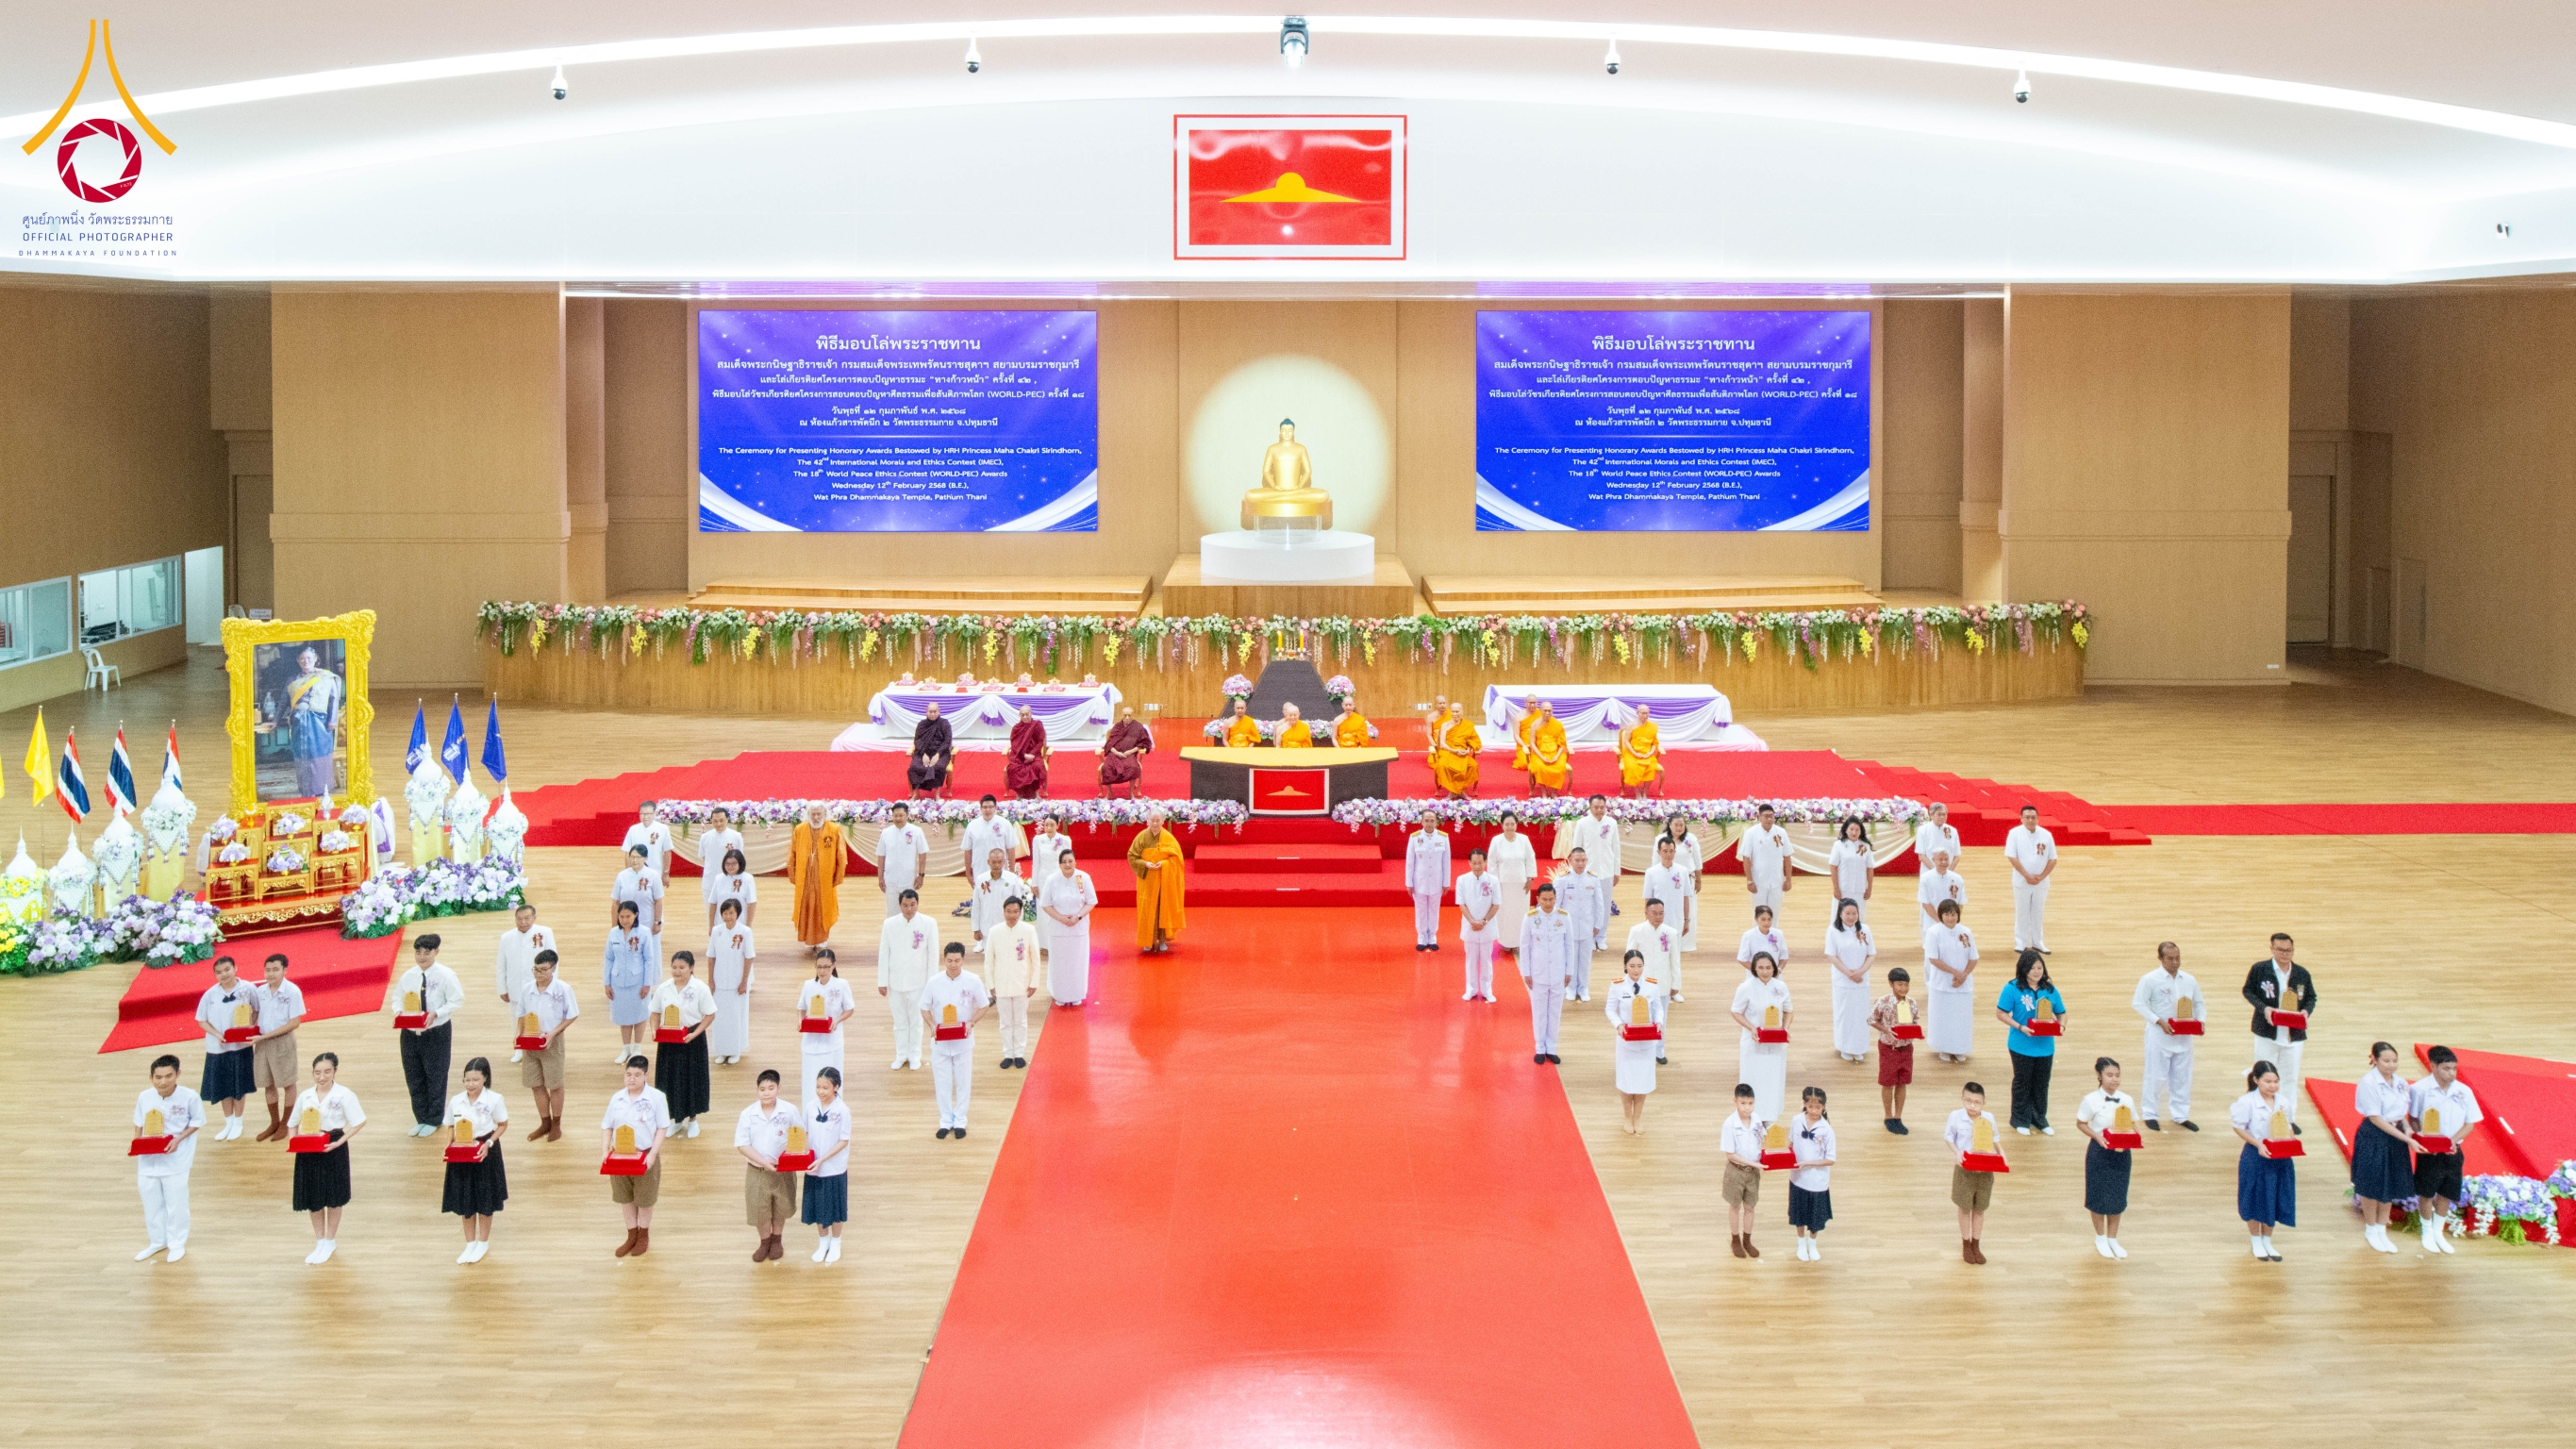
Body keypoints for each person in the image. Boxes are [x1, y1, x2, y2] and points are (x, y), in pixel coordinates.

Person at [290, 1051, 366, 1265]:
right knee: (313, 1196)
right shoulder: (305, 1096)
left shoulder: (344, 1094)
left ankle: (330, 1240)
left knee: (333, 1195)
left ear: (334, 1071)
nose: (321, 1077)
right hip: (308, 1144)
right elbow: (292, 1122)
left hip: (333, 1144)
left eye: (326, 1072)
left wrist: (339, 1142)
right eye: (317, 1073)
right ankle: (319, 1241)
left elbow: (359, 1121)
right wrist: (294, 1142)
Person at [386, 933, 464, 1136]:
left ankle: (434, 1118)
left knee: (435, 1075)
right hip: (410, 1032)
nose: (422, 957)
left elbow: (456, 1000)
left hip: (436, 1032)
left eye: (426, 952)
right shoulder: (408, 976)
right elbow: (397, 998)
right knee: (414, 1074)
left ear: (436, 952)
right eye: (418, 952)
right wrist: (398, 1012)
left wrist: (436, 1013)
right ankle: (420, 1117)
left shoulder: (446, 975)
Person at [132, 1054, 205, 1263]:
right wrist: (137, 1143)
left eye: (168, 1076)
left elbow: (197, 1121)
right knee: (151, 1201)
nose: (163, 1081)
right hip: (148, 1158)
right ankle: (157, 1241)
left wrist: (179, 1140)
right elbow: (138, 1122)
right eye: (158, 1077)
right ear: (151, 1077)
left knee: (176, 1203)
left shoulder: (189, 1097)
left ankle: (177, 1243)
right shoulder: (144, 1096)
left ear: (177, 1074)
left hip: (176, 1159)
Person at [2241, 933, 2317, 1130]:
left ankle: (2288, 1118)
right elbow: (2248, 991)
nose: (2285, 954)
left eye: (2288, 950)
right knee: (2263, 1075)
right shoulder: (2260, 969)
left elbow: (2311, 998)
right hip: (2267, 1033)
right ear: (2272, 949)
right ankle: (2258, 1116)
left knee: (2290, 1077)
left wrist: (2306, 1012)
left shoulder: (2301, 973)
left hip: (2293, 1035)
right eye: (2280, 950)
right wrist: (2263, 1008)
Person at [2409, 1045, 2479, 1254]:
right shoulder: (2420, 1089)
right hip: (2429, 1151)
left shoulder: (2464, 1091)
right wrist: (2422, 1138)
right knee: (2426, 1191)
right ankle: (2426, 1230)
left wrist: (2453, 1142)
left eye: (2454, 1068)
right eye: (2446, 1068)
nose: (2451, 1073)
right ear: (2433, 1066)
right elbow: (2413, 1118)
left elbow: (2470, 1123)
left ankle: (2438, 1232)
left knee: (2447, 1190)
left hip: (2453, 1151)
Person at [2352, 1041, 2418, 1255]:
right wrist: (2407, 1140)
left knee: (2390, 1182)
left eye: (2395, 1061)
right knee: (2372, 1182)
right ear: (2375, 1060)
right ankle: (2371, 1229)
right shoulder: (2368, 1083)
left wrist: (2407, 1128)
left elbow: (2401, 1113)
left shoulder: (2400, 1082)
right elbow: (2377, 1119)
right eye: (2386, 1061)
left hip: (2396, 1134)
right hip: (2374, 1135)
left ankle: (2382, 1227)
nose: (2391, 1065)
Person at [602, 1055, 671, 1258]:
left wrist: (653, 1155)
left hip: (645, 1156)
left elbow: (662, 1126)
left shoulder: (657, 1098)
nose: (631, 1079)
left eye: (637, 1075)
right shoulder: (617, 1098)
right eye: (628, 1075)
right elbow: (607, 1126)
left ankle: (643, 1234)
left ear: (646, 1075)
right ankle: (631, 1234)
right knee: (625, 1197)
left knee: (645, 1199)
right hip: (620, 1157)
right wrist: (605, 1152)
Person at [440, 1057, 508, 1264]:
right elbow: (450, 1126)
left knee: (485, 1199)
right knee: (465, 1198)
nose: (471, 1084)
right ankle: (469, 1244)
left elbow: (503, 1124)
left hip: (484, 1151)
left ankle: (483, 1243)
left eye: (475, 1080)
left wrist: (489, 1143)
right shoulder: (456, 1100)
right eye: (467, 1080)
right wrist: (448, 1147)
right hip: (461, 1151)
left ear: (485, 1079)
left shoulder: (494, 1099)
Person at [922, 941, 992, 1140]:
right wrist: (931, 1024)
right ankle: (945, 1120)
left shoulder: (973, 980)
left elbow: (984, 1005)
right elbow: (924, 1007)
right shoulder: (934, 982)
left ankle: (960, 1120)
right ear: (944, 960)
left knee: (963, 1082)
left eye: (957, 960)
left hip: (963, 1041)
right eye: (949, 960)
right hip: (941, 1042)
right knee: (942, 1082)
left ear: (963, 960)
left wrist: (971, 1022)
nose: (953, 965)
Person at [2132, 941, 2204, 1131]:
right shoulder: (2150, 979)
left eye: (2177, 958)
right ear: (2161, 959)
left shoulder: (2189, 979)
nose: (2175, 962)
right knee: (2155, 1075)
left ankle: (2180, 1115)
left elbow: (2199, 1003)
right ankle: (2149, 1113)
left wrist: (2200, 1021)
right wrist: (2158, 1021)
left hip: (2184, 1034)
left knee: (2182, 1076)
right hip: (2159, 1035)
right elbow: (2138, 1003)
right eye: (2170, 958)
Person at [1995, 950, 2066, 1134]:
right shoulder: (2012, 988)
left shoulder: (2050, 990)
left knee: (2042, 1083)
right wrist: (2020, 1027)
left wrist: (2062, 1026)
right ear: (2024, 969)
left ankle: (2040, 1119)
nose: (2036, 971)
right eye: (2032, 968)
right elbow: (2001, 1013)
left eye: (2039, 967)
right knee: (2023, 1082)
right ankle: (2020, 1119)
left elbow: (2061, 1012)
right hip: (2020, 1045)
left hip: (2045, 1046)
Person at [736, 1068, 803, 1263]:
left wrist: (793, 1159)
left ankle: (777, 1240)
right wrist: (764, 1161)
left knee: (780, 1207)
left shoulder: (789, 1110)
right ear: (757, 1091)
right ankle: (764, 1241)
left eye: (771, 1088)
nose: (766, 1093)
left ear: (779, 1088)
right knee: (760, 1210)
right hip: (757, 1170)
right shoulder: (748, 1114)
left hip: (783, 1170)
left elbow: (799, 1136)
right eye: (762, 1089)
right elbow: (742, 1144)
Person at [2233, 1061, 2297, 1261]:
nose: (2273, 1085)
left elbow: (2289, 1125)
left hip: (2280, 1155)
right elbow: (2239, 1127)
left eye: (2276, 1081)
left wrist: (2290, 1139)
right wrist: (2258, 1144)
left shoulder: (2284, 1102)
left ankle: (2268, 1240)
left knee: (2276, 1196)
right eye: (2268, 1081)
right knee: (2255, 1196)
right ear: (2256, 1080)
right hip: (2256, 1155)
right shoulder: (2246, 1102)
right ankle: (2255, 1239)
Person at [2075, 1057, 2136, 1258]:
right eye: (2110, 1075)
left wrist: (2133, 1136)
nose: (2114, 1079)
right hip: (2099, 1152)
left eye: (2117, 1075)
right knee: (2098, 1195)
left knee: (2118, 1196)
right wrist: (2097, 1136)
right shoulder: (2090, 1100)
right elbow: (2081, 1123)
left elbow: (2134, 1123)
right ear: (2099, 1076)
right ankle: (2100, 1237)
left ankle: (2113, 1239)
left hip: (2122, 1153)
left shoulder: (2127, 1099)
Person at [649, 951, 716, 1136]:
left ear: (692, 968)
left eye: (682, 967)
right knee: (669, 1079)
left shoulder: (700, 988)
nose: (677, 971)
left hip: (691, 1039)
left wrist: (695, 1034)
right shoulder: (664, 988)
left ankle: (693, 1119)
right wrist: (654, 1030)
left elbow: (710, 1014)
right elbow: (654, 1012)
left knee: (692, 1078)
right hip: (668, 1039)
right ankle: (676, 1119)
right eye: (674, 967)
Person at [515, 950, 578, 1141]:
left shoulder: (563, 989)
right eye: (536, 969)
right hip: (530, 1041)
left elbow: (572, 1014)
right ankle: (545, 1122)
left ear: (554, 968)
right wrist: (518, 1035)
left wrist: (553, 1033)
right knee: (536, 1083)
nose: (538, 974)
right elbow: (521, 1014)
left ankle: (556, 1125)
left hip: (552, 1041)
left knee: (555, 1084)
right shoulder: (527, 989)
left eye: (543, 970)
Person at [192, 956, 255, 1141]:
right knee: (223, 1086)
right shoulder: (210, 994)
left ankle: (238, 1122)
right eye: (219, 972)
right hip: (217, 1048)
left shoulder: (248, 989)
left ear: (235, 968)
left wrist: (251, 1030)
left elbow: (257, 1010)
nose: (223, 974)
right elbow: (201, 1021)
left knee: (239, 1084)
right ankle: (228, 1123)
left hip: (241, 1046)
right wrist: (218, 1035)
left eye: (227, 969)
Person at [875, 891, 939, 1072]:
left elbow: (933, 956)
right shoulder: (890, 924)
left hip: (919, 983)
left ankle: (915, 1055)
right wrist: (882, 980)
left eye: (912, 905)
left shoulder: (928, 923)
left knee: (917, 1021)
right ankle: (901, 1054)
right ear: (899, 905)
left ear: (917, 904)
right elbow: (884, 953)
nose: (909, 909)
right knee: (900, 1022)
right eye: (905, 905)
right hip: (895, 982)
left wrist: (931, 985)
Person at [1606, 951, 1667, 1134]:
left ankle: (1637, 1117)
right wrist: (1618, 1025)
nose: (1636, 970)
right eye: (1632, 966)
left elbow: (1658, 1008)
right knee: (1626, 1080)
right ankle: (1627, 1117)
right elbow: (1610, 1009)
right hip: (1627, 1041)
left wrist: (1659, 1022)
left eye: (1639, 966)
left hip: (1647, 1041)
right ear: (1625, 966)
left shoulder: (1651, 985)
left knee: (1642, 1080)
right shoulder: (1617, 986)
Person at [249, 954, 306, 1141]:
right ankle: (274, 1122)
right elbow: (255, 1014)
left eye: (275, 969)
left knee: (288, 1083)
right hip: (262, 1042)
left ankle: (286, 1123)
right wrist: (245, 1030)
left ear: (285, 970)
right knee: (268, 1083)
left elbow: (294, 1022)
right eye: (267, 969)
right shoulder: (260, 991)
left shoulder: (292, 992)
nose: (270, 974)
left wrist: (266, 1036)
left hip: (282, 1041)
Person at [1521, 881, 1577, 1065]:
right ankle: (1540, 1047)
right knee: (1539, 1010)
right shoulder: (1530, 917)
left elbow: (1569, 944)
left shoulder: (1564, 916)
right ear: (1537, 899)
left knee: (1555, 1011)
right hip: (1538, 972)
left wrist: (1569, 970)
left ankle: (1552, 1047)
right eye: (1544, 899)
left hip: (1559, 972)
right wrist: (1526, 972)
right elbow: (1525, 946)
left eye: (1551, 899)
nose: (1548, 903)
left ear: (1556, 898)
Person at [1945, 1082, 2001, 1265]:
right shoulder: (1955, 1117)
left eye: (1977, 1102)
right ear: (1962, 1099)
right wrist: (1956, 1152)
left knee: (1980, 1209)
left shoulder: (1989, 1118)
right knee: (1964, 1207)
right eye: (1968, 1101)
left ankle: (1976, 1244)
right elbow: (1949, 1138)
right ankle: (1965, 1244)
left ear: (1983, 1103)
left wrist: (2002, 1157)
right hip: (1964, 1170)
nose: (1972, 1106)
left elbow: (1996, 1141)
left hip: (1985, 1170)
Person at [1732, 952, 1792, 1121]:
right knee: (1754, 1079)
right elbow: (1736, 1011)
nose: (1765, 971)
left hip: (1775, 1044)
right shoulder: (1746, 987)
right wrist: (1751, 1028)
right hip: (1754, 1043)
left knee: (1773, 1079)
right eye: (1760, 968)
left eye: (1768, 968)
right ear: (1754, 968)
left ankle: (1771, 1117)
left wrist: (1785, 1029)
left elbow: (1789, 1010)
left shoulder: (1781, 987)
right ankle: (1751, 1116)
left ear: (1774, 968)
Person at [984, 894, 1041, 1069]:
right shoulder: (995, 931)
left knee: (1021, 1021)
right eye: (1008, 911)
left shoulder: (1028, 931)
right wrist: (990, 986)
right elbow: (989, 961)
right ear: (1003, 912)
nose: (1012, 915)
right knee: (1005, 1022)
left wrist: (1034, 982)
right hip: (1000, 985)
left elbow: (1036, 959)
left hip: (1022, 984)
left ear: (1020, 912)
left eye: (1016, 911)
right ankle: (1008, 1053)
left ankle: (1019, 1053)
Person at [796, 948, 856, 1115]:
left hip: (831, 1042)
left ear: (833, 966)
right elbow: (801, 1008)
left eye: (826, 967)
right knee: (810, 1081)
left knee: (830, 1079)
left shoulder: (841, 985)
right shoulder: (808, 985)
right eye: (819, 967)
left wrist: (837, 1021)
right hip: (810, 1041)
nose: (822, 971)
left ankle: (833, 1114)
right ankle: (810, 1115)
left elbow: (849, 1009)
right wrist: (800, 1021)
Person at [494, 904, 557, 1061]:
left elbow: (554, 960)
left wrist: (553, 984)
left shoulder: (545, 933)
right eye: (519, 918)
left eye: (527, 918)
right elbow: (501, 965)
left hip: (540, 985)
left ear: (534, 918)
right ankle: (519, 1049)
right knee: (517, 1018)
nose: (522, 922)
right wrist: (502, 987)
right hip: (515, 986)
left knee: (540, 1016)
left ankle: (540, 1045)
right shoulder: (506, 937)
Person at [1037, 849, 1099, 1007]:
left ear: (1075, 862)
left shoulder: (1084, 878)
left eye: (1070, 861)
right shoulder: (1052, 880)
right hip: (1058, 929)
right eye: (1064, 862)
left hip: (1079, 928)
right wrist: (1060, 918)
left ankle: (1077, 994)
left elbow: (1091, 901)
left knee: (1078, 961)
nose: (1067, 864)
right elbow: (1045, 904)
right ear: (1059, 864)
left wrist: (1078, 916)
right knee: (1060, 963)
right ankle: (1060, 995)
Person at [803, 1066, 852, 1262]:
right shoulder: (810, 1107)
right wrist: (805, 1157)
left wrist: (823, 1159)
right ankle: (823, 1242)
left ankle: (836, 1242)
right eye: (818, 1087)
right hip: (813, 1167)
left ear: (836, 1087)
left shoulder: (843, 1111)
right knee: (819, 1206)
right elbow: (805, 1133)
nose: (821, 1091)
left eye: (825, 1087)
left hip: (834, 1167)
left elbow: (843, 1140)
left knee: (835, 1207)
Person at [1623, 896, 1682, 1058]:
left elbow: (1675, 960)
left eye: (1661, 913)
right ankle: (1642, 1048)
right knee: (1641, 1016)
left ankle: (1659, 1050)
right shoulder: (1637, 931)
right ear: (1646, 913)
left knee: (1660, 1017)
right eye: (1654, 913)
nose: (1658, 917)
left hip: (1663, 983)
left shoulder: (1670, 933)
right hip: (1641, 983)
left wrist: (1676, 983)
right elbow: (1628, 957)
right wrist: (1628, 981)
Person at [282, 644, 343, 796]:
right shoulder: (292, 679)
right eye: (302, 658)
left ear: (316, 660)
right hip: (298, 722)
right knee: (302, 754)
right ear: (298, 661)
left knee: (319, 753)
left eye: (309, 658)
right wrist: (278, 719)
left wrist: (332, 720)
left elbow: (334, 699)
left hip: (319, 722)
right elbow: (283, 701)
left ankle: (322, 789)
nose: (305, 661)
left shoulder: (326, 676)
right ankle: (306, 789)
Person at [1923, 899, 1979, 1063]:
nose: (1950, 918)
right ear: (1941, 915)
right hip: (1942, 983)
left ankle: (1959, 1048)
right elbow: (1933, 959)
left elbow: (1973, 957)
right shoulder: (1934, 932)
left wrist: (1964, 975)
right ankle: (1945, 1048)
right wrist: (1955, 972)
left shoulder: (1966, 932)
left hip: (1963, 984)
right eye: (1947, 914)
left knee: (1961, 1017)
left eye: (1953, 914)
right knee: (1944, 1017)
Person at [603, 901, 657, 1064]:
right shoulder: (613, 933)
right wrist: (607, 983)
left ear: (636, 915)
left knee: (639, 1014)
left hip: (638, 981)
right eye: (621, 916)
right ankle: (626, 1048)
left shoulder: (644, 932)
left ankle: (637, 1048)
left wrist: (647, 983)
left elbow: (649, 959)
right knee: (623, 1015)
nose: (625, 920)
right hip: (618, 980)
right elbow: (608, 958)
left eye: (628, 916)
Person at [788, 803, 846, 954]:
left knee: (822, 907)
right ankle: (808, 940)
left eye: (819, 814)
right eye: (813, 814)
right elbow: (792, 854)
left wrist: (838, 877)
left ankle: (822, 940)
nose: (816, 817)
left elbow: (841, 855)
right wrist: (793, 875)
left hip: (824, 879)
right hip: (805, 878)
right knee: (805, 905)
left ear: (824, 813)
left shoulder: (833, 829)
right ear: (808, 814)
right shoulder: (800, 830)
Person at [1787, 1086, 1837, 1260]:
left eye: (1818, 1107)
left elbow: (1830, 1159)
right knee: (1799, 1214)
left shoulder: (1827, 1130)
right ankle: (1801, 1244)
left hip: (1817, 1182)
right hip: (1798, 1179)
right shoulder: (1796, 1120)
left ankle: (1813, 1245)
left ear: (1824, 1107)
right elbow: (1791, 1144)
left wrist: (1807, 1163)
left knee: (1815, 1218)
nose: (1814, 1111)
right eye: (1810, 1107)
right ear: (1804, 1104)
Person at [1823, 899, 1876, 1063]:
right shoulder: (1833, 931)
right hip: (1843, 981)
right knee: (1845, 1014)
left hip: (1861, 981)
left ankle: (1859, 1047)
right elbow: (1832, 955)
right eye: (1847, 913)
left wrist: (1860, 972)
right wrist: (1848, 973)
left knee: (1860, 1014)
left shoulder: (1864, 929)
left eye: (1854, 913)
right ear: (1840, 913)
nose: (1851, 917)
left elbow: (1871, 954)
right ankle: (1845, 1047)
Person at [1128, 808, 1187, 955]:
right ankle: (1147, 940)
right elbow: (1132, 856)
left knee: (1162, 908)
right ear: (1147, 821)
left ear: (1162, 821)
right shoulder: (1141, 837)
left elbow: (1177, 859)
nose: (1155, 823)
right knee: (1147, 909)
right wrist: (1145, 864)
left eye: (1157, 820)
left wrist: (1164, 864)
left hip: (1163, 880)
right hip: (1147, 879)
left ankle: (1162, 940)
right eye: (1152, 820)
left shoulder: (1168, 838)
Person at [1869, 968, 1919, 1133]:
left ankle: (1898, 1117)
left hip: (1906, 1048)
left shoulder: (1911, 1003)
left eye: (1906, 985)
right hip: (1889, 1048)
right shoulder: (1883, 1001)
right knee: (1888, 1082)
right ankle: (1888, 1116)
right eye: (1899, 984)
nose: (1903, 988)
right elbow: (1871, 1019)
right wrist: (1885, 1030)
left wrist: (1915, 1030)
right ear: (1891, 984)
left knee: (1902, 1082)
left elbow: (1915, 1020)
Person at [1719, 1083, 1766, 1258]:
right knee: (1735, 1206)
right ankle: (1735, 1240)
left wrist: (1768, 1160)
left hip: (1753, 1173)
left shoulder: (1757, 1120)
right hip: (1736, 1172)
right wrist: (1755, 1164)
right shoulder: (1729, 1124)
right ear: (1735, 1102)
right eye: (1743, 1103)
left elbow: (1762, 1143)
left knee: (1750, 1207)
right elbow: (1730, 1155)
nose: (1747, 1108)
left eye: (1750, 1103)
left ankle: (1747, 1239)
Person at [1643, 839, 1694, 997]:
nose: (1668, 854)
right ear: (1659, 852)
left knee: (1674, 957)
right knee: (1657, 956)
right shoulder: (1651, 872)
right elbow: (1647, 899)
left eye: (1671, 851)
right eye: (1665, 851)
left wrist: (1686, 920)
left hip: (1676, 921)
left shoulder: (1682, 871)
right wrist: (1649, 920)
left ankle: (1674, 989)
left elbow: (1686, 897)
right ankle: (1656, 988)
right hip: (1657, 922)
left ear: (1675, 852)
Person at [707, 899, 756, 1065]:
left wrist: (744, 982)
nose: (728, 916)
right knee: (720, 1017)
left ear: (737, 914)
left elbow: (749, 957)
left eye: (731, 913)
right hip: (719, 980)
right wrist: (710, 980)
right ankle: (721, 1051)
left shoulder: (745, 932)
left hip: (737, 983)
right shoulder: (716, 931)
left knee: (736, 1017)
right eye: (725, 913)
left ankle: (735, 1050)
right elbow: (711, 956)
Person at [2003, 805, 2057, 954]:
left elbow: (2053, 859)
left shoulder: (2046, 835)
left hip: (2041, 882)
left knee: (2038, 911)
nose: (2030, 820)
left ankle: (2038, 942)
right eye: (2027, 817)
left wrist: (2041, 876)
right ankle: (2020, 942)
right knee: (2022, 911)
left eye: (2033, 817)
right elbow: (2011, 856)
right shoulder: (2014, 834)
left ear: (2037, 818)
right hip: (2022, 881)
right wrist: (2027, 876)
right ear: (2021, 819)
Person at [1486, 812, 1538, 957]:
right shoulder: (1496, 841)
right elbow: (1492, 863)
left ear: (1516, 825)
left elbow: (1530, 859)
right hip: (1503, 885)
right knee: (1504, 914)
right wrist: (1494, 883)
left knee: (1520, 914)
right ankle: (1505, 942)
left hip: (1521, 885)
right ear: (1502, 825)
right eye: (1506, 824)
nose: (1509, 827)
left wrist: (1530, 879)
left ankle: (1519, 942)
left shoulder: (1524, 839)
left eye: (1512, 824)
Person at [1565, 797, 1622, 924]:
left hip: (1607, 870)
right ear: (1590, 807)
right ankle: (1589, 934)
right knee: (1587, 904)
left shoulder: (1611, 823)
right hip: (1587, 871)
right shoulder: (1582, 823)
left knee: (1605, 904)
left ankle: (1602, 935)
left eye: (1602, 807)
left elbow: (1616, 848)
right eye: (1596, 807)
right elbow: (1576, 848)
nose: (1599, 810)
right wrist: (1576, 869)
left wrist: (1616, 871)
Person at [1454, 848, 1503, 1003]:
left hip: (1487, 926)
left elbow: (1496, 904)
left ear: (1485, 863)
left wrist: (1484, 921)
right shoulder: (1462, 880)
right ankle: (1471, 989)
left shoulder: (1493, 880)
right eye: (1474, 863)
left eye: (1480, 863)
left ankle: (1488, 990)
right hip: (1470, 926)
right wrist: (1472, 921)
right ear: (1469, 863)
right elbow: (1461, 904)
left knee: (1487, 960)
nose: (1477, 866)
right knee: (1471, 960)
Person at [1556, 847, 1606, 994]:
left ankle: (1583, 987)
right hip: (1568, 926)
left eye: (1583, 860)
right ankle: (1570, 987)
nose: (1580, 863)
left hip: (1587, 926)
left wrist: (1598, 924)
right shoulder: (1562, 879)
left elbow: (1599, 903)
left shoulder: (1593, 878)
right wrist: (1559, 925)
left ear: (1587, 860)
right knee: (1570, 958)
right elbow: (1557, 904)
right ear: (1570, 860)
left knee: (1585, 959)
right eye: (1577, 860)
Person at [610, 843, 668, 968]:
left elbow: (658, 900)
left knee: (649, 954)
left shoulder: (653, 875)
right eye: (632, 857)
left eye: (638, 857)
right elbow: (615, 902)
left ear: (645, 858)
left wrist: (657, 922)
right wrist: (615, 925)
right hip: (626, 923)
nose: (635, 860)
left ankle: (650, 983)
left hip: (647, 922)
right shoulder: (622, 876)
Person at [1656, 813, 1704, 953]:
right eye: (1676, 825)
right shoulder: (1661, 839)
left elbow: (1697, 860)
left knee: (1688, 909)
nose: (1679, 828)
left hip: (1687, 880)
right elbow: (1655, 862)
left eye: (1681, 825)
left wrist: (1699, 879)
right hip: (1666, 879)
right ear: (1669, 825)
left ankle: (1686, 943)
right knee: (1668, 908)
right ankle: (1666, 940)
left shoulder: (1691, 839)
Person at [1737, 804, 1792, 921]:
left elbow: (1787, 857)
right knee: (1759, 915)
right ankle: (1758, 938)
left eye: (1771, 816)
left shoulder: (1781, 832)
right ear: (1759, 817)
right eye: (1766, 816)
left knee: (1774, 914)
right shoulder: (1751, 833)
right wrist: (1750, 880)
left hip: (1777, 881)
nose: (1769, 819)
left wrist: (1788, 879)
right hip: (1758, 882)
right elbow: (1746, 858)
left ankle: (1773, 938)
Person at [1404, 816, 1451, 952]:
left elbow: (1446, 862)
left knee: (1434, 909)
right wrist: (1409, 882)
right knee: (1420, 908)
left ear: (1437, 822)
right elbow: (1410, 862)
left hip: (1436, 880)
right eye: (1427, 820)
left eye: (1432, 821)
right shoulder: (1414, 838)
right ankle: (1422, 936)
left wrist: (1446, 882)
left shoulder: (1443, 838)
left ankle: (1432, 937)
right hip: (1420, 881)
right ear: (1422, 822)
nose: (1429, 823)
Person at [877, 803, 930, 921]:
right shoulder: (886, 833)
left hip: (909, 880)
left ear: (907, 815)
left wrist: (921, 875)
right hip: (890, 880)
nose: (898, 818)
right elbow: (881, 856)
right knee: (892, 913)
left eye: (901, 815)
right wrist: (880, 877)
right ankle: (894, 938)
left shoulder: (916, 831)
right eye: (895, 815)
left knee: (910, 912)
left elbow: (922, 854)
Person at [696, 807, 746, 928]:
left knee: (731, 911)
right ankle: (714, 940)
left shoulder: (736, 836)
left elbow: (740, 860)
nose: (718, 824)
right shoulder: (705, 837)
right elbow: (704, 858)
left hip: (730, 881)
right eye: (715, 821)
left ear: (727, 819)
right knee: (711, 912)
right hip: (710, 881)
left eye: (721, 820)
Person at [970, 846, 1029, 946]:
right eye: (993, 862)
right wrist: (976, 928)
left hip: (1008, 927)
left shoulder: (1012, 879)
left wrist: (1019, 925)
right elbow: (976, 905)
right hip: (987, 928)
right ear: (988, 862)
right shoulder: (981, 879)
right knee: (989, 959)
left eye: (1000, 861)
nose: (996, 865)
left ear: (1004, 861)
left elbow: (1019, 904)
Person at [1734, 901, 1787, 1009]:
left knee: (1776, 1006)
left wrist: (1777, 971)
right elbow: (1742, 959)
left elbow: (1784, 956)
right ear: (1756, 919)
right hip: (1755, 977)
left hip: (1774, 977)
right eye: (1763, 919)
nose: (1766, 922)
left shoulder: (1778, 934)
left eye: (1769, 919)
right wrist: (1758, 971)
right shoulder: (1749, 936)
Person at [1826, 816, 1874, 931]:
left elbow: (1870, 868)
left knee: (1859, 917)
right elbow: (1833, 867)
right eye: (1851, 829)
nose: (1854, 832)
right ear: (1846, 830)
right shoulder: (1838, 845)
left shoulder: (1865, 846)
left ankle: (1857, 942)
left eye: (1857, 830)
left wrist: (1869, 888)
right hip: (1843, 888)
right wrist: (1836, 888)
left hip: (1859, 889)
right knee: (1839, 916)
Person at [1099, 707, 1154, 796]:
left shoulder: (1138, 727)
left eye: (1129, 715)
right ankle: (1109, 793)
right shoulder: (1117, 726)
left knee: (1133, 767)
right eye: (1125, 715)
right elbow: (1109, 743)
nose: (1127, 718)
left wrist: (1131, 751)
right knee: (1106, 768)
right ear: (1122, 716)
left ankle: (1131, 793)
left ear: (1133, 716)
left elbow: (1144, 742)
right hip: (1115, 754)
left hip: (1129, 755)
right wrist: (1116, 752)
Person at [907, 699, 955, 798]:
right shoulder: (922, 725)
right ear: (926, 712)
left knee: (938, 767)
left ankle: (937, 794)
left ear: (939, 711)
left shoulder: (944, 724)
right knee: (915, 767)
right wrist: (924, 754)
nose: (932, 714)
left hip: (941, 753)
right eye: (930, 711)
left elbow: (947, 741)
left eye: (935, 711)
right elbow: (917, 741)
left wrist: (938, 755)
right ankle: (916, 793)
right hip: (922, 752)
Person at [1005, 704, 1051, 798]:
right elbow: (1014, 745)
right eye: (1022, 715)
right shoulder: (1016, 728)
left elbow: (1039, 742)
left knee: (1037, 766)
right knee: (1013, 768)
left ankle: (1036, 793)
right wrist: (1024, 755)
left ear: (1031, 713)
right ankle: (1019, 794)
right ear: (1019, 715)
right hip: (1019, 755)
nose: (1025, 717)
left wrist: (1031, 754)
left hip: (1034, 754)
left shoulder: (1037, 725)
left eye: (1027, 714)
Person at [622, 800, 674, 884]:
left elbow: (667, 851)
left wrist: (665, 873)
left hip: (656, 873)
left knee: (656, 897)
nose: (645, 817)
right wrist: (629, 873)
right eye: (642, 814)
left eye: (648, 814)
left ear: (654, 813)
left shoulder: (663, 829)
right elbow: (627, 852)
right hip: (636, 873)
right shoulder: (633, 830)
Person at [1617, 703, 1662, 798]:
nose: (1645, 715)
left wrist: (1651, 752)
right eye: (1643, 713)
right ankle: (1637, 791)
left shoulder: (1653, 726)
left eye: (1647, 713)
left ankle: (1645, 791)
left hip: (1647, 753)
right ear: (1637, 713)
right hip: (1632, 753)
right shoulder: (1631, 726)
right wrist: (1635, 753)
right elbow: (1626, 742)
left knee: (1651, 767)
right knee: (1632, 767)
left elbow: (1654, 743)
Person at [707, 847, 758, 930]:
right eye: (727, 864)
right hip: (721, 924)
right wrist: (711, 925)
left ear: (740, 863)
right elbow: (713, 903)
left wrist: (748, 925)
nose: (730, 866)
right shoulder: (719, 879)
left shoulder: (748, 878)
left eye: (734, 863)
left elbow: (752, 903)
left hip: (740, 924)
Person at [1527, 703, 1572, 797]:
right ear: (1540, 710)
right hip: (1539, 753)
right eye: (1545, 710)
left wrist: (1556, 756)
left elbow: (1562, 744)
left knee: (1560, 766)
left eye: (1549, 711)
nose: (1547, 713)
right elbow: (1532, 743)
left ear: (1552, 711)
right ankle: (1543, 791)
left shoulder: (1557, 724)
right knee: (1540, 766)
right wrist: (1542, 757)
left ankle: (1553, 792)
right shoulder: (1534, 724)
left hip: (1556, 753)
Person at [1916, 849, 1966, 931]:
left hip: (1952, 927)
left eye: (1946, 859)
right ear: (1934, 860)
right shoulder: (1926, 879)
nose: (1944, 862)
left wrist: (1951, 921)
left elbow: (1960, 904)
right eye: (1940, 859)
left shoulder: (1957, 879)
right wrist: (1941, 922)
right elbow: (1925, 904)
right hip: (1931, 925)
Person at [1911, 804, 1960, 880]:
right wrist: (1936, 873)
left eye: (1944, 814)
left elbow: (1957, 856)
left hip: (1948, 875)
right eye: (1939, 814)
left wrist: (1947, 873)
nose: (1942, 817)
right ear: (1931, 815)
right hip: (1928, 873)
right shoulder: (1923, 831)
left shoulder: (1953, 831)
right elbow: (1922, 856)